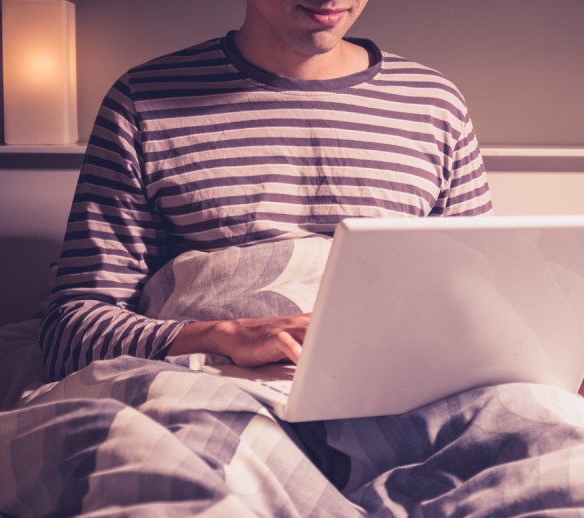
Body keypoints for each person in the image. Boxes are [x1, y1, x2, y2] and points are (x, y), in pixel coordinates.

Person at [39, 0, 492, 381]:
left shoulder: (434, 103)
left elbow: (486, 302)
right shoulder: (142, 100)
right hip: (216, 388)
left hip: (395, 386)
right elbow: (70, 332)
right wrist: (221, 335)